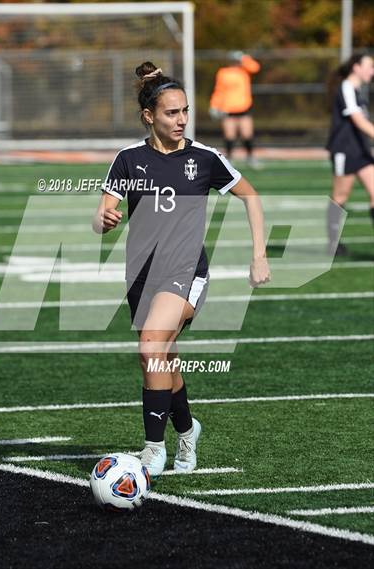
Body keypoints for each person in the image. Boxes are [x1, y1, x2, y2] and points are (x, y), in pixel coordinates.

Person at [93, 61, 270, 477]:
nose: (182, 120)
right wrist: (103, 220)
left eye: (186, 111)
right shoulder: (128, 159)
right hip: (140, 274)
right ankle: (187, 432)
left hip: (186, 271)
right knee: (162, 358)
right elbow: (103, 214)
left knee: (151, 347)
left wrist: (259, 253)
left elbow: (252, 197)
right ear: (149, 116)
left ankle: (153, 449)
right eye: (172, 113)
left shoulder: (204, 158)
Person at [326, 53, 374, 256]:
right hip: (344, 150)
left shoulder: (359, 90)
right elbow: (357, 120)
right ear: (356, 67)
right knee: (340, 196)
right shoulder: (346, 87)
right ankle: (333, 242)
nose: (372, 71)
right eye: (370, 66)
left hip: (361, 151)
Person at [209, 51, 261, 168]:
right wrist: (214, 105)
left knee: (247, 135)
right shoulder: (223, 73)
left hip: (244, 107)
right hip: (228, 109)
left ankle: (250, 157)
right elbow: (219, 90)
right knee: (229, 136)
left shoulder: (244, 71)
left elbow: (255, 67)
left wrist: (245, 58)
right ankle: (230, 159)